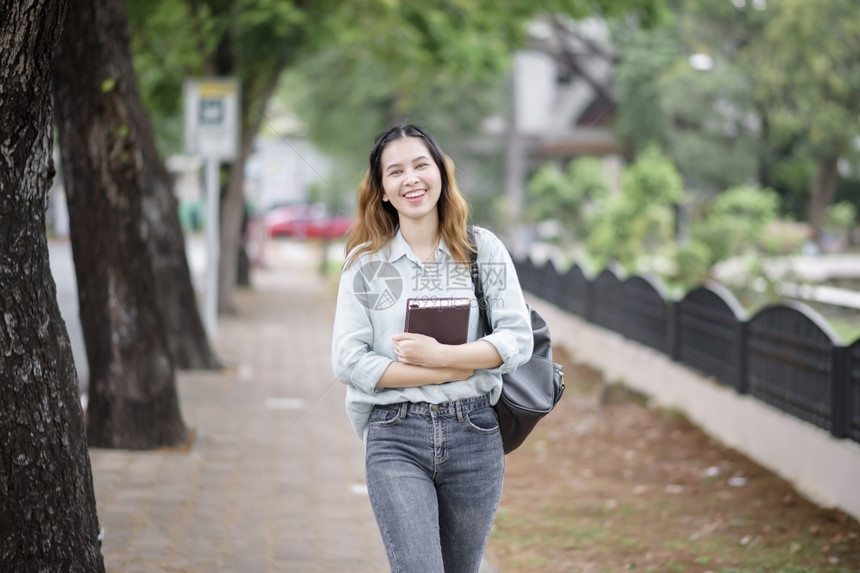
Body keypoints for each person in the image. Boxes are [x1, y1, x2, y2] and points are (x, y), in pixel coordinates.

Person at [331, 124, 533, 572]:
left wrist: (443, 357)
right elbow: (349, 360)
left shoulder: (483, 251)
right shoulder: (364, 264)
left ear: (441, 173)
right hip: (394, 435)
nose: (411, 179)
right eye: (396, 171)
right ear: (383, 190)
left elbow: (516, 339)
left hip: (475, 434)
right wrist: (454, 369)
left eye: (421, 165)